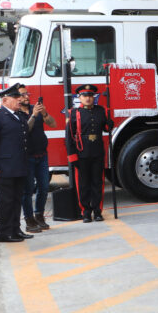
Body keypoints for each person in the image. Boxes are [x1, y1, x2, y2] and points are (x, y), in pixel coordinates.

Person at [0, 85, 33, 242]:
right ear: (5, 100)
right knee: (6, 201)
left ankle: (15, 229)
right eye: (16, 97)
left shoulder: (19, 116)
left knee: (16, 199)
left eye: (20, 97)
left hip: (19, 166)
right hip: (4, 168)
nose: (20, 99)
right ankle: (5, 233)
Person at [66, 85, 114, 223]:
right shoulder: (74, 113)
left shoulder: (101, 110)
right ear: (79, 97)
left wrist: (109, 121)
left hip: (97, 152)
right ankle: (86, 212)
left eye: (90, 96)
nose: (88, 98)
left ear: (94, 97)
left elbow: (106, 128)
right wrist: (72, 156)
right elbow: (69, 136)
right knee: (83, 184)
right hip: (82, 153)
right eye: (85, 96)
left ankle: (97, 211)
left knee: (97, 183)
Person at [19, 86, 56, 232]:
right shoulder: (17, 113)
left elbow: (53, 124)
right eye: (23, 95)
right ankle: (29, 220)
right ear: (17, 97)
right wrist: (33, 116)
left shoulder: (36, 108)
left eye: (27, 94)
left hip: (42, 155)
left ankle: (39, 215)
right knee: (27, 190)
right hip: (27, 157)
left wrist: (45, 113)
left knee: (44, 187)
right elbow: (24, 131)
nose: (27, 97)